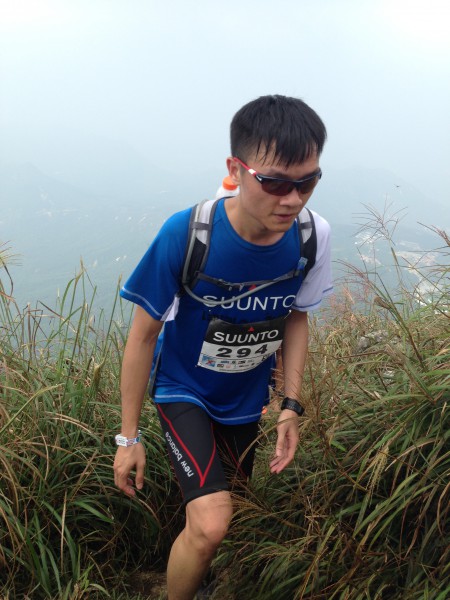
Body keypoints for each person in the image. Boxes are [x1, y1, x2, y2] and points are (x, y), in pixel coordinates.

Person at [114, 94, 333, 600]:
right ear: (236, 169)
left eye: (308, 182)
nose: (292, 199)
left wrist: (291, 404)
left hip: (245, 400)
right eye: (275, 182)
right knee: (214, 520)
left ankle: (197, 576)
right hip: (184, 389)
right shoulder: (189, 233)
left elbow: (296, 317)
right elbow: (142, 336)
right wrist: (128, 437)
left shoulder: (311, 237)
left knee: (226, 514)